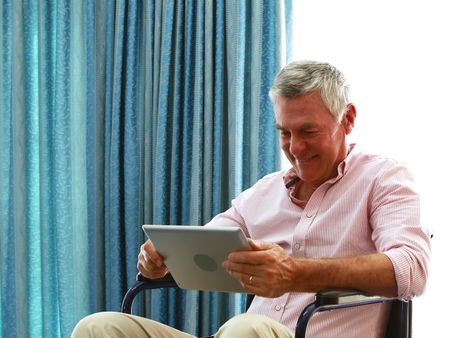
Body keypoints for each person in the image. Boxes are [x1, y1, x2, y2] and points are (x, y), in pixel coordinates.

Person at [72, 60, 431, 338]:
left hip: (266, 333)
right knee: (99, 327)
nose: (295, 147)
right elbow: (203, 247)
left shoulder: (384, 178)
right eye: (285, 133)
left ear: (347, 119)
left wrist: (295, 274)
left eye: (308, 131)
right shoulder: (264, 191)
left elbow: (412, 269)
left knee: (247, 328)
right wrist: (161, 259)